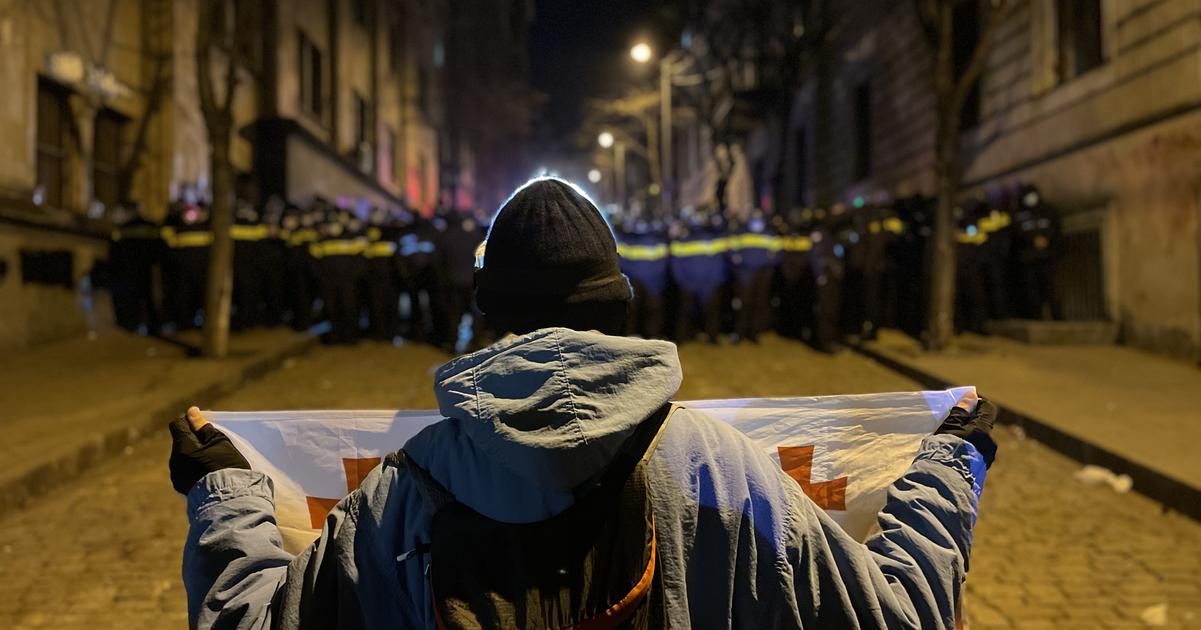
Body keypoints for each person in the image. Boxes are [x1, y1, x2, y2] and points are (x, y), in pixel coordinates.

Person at [170, 177, 996, 629]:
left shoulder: (402, 491)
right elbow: (899, 615)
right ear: (618, 309)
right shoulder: (719, 472)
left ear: (489, 316)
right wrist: (951, 461)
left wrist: (224, 491)